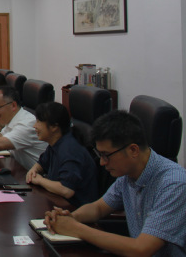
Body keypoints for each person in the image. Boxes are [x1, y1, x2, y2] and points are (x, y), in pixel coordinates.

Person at [44, 110, 186, 256]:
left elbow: (141, 249)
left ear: (133, 150)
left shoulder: (174, 184)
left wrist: (75, 229)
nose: (102, 162)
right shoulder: (128, 175)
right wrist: (70, 218)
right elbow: (98, 208)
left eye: (106, 155)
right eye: (100, 154)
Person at [26, 102, 98, 207]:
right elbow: (41, 163)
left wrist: (40, 180)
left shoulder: (70, 149)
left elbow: (66, 190)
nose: (34, 126)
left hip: (75, 209)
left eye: (39, 121)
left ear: (54, 127)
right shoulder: (56, 143)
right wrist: (34, 170)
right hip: (57, 202)